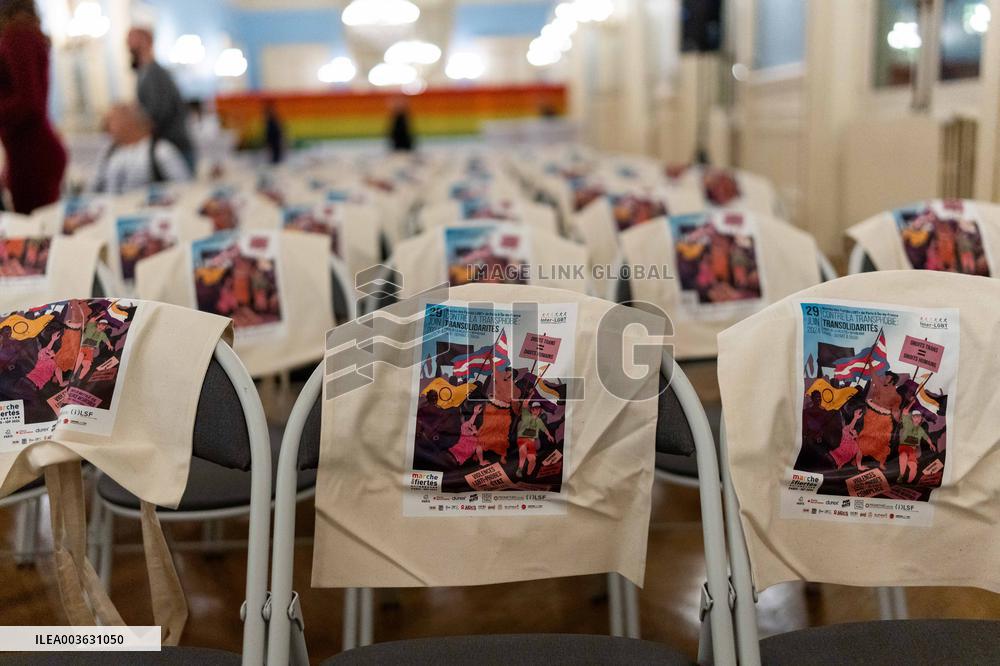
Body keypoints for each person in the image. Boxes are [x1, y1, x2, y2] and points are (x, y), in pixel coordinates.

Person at [0, 0, 67, 214]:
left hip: (33, 156)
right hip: (26, 152)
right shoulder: (20, 33)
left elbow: (30, 103)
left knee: (37, 229)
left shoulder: (18, 34)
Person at [127, 27, 196, 171]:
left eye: (132, 39)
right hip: (164, 149)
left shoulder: (155, 73)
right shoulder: (144, 73)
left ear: (146, 41)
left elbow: (157, 113)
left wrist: (134, 129)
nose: (128, 44)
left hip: (174, 149)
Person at [90, 104, 190, 195]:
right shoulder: (109, 152)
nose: (106, 127)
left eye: (112, 121)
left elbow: (184, 188)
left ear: (130, 122)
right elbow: (94, 187)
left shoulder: (161, 151)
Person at [515, 402, 552, 479]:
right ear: (531, 410)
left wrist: (549, 435)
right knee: (523, 451)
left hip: (531, 442)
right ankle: (519, 469)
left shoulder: (539, 421)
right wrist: (529, 397)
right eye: (535, 409)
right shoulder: (526, 416)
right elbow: (524, 405)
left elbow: (544, 429)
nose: (537, 411)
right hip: (523, 440)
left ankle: (528, 475)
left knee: (532, 460)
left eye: (538, 409)